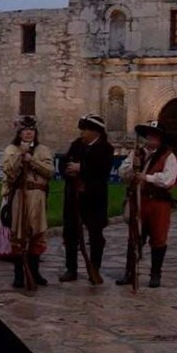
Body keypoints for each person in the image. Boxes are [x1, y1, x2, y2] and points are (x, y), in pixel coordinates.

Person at [116, 121, 177, 288]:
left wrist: (147, 178)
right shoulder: (136, 154)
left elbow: (168, 179)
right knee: (134, 237)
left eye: (155, 137)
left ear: (160, 140)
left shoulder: (168, 156)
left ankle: (155, 274)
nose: (151, 140)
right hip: (138, 200)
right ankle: (129, 272)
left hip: (158, 203)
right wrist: (132, 171)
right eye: (149, 136)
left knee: (158, 238)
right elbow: (122, 172)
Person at [0, 116, 55, 288]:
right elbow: (9, 172)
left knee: (37, 233)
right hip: (18, 196)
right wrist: (20, 158)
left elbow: (50, 172)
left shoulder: (42, 150)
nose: (29, 133)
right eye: (25, 130)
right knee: (18, 234)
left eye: (31, 130)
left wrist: (33, 161)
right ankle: (18, 274)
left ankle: (34, 271)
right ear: (19, 132)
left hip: (36, 196)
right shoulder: (11, 149)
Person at [59, 114, 114, 283]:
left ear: (95, 131)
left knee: (95, 234)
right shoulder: (76, 145)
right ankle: (71, 269)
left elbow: (102, 170)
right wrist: (68, 169)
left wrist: (81, 168)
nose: (82, 133)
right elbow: (64, 162)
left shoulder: (105, 148)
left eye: (85, 130)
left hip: (94, 199)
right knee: (70, 233)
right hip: (74, 196)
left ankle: (94, 268)